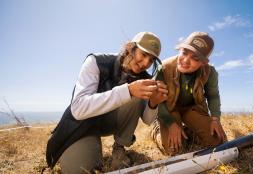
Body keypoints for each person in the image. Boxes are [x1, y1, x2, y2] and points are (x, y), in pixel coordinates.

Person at [46, 32, 168, 173]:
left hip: (111, 122)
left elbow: (147, 120)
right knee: (82, 170)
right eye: (144, 54)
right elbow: (78, 108)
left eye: (151, 60)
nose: (146, 63)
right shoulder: (96, 61)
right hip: (82, 125)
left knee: (135, 95)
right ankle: (83, 146)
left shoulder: (144, 79)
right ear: (131, 48)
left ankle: (119, 148)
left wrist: (154, 103)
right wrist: (128, 90)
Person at [151, 31, 227, 155]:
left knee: (218, 141)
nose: (186, 60)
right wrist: (170, 124)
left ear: (203, 63)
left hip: (191, 109)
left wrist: (215, 119)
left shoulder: (210, 72)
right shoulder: (163, 68)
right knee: (174, 150)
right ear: (180, 50)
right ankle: (157, 131)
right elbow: (157, 102)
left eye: (195, 58)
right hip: (169, 110)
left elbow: (213, 96)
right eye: (184, 53)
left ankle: (187, 130)